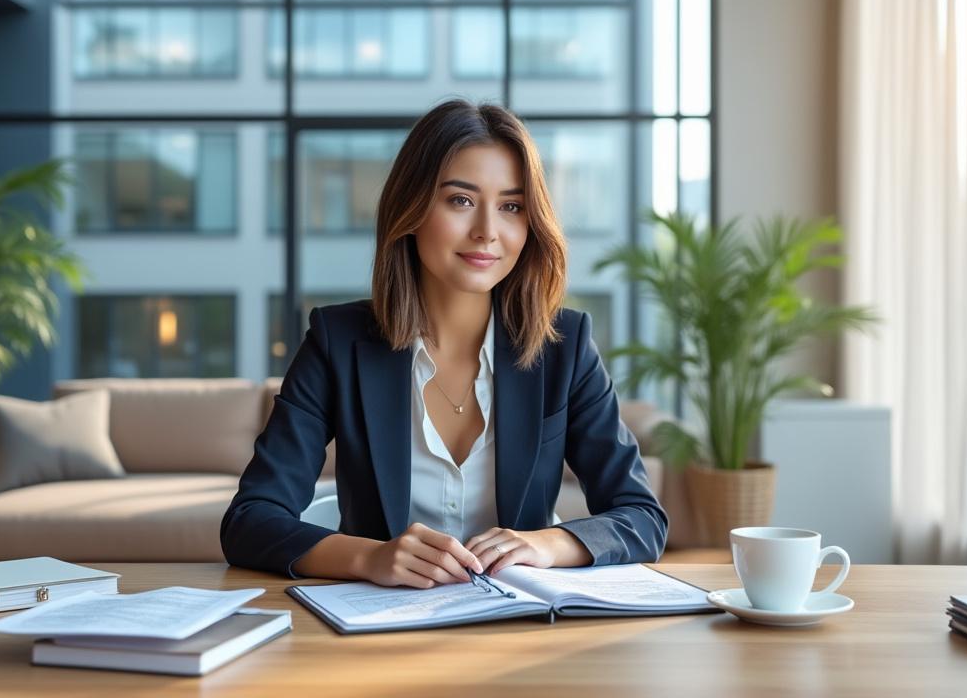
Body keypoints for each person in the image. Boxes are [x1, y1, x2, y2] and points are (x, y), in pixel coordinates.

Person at [221, 99, 667, 587]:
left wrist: (544, 543)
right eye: (460, 200)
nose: (487, 232)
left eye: (512, 207)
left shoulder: (566, 346)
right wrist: (368, 558)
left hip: (525, 629)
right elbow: (251, 519)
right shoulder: (337, 342)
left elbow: (641, 517)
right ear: (410, 209)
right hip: (376, 635)